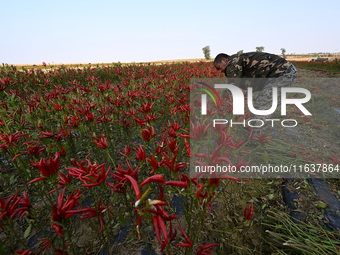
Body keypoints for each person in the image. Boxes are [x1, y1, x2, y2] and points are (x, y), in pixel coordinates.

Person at [213, 52, 298, 138]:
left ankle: (257, 138)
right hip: (282, 74)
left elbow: (232, 85)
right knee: (259, 104)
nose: (220, 71)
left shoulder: (233, 62)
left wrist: (221, 101)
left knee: (261, 106)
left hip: (283, 74)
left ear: (224, 60)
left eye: (218, 67)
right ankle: (255, 129)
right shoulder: (238, 61)